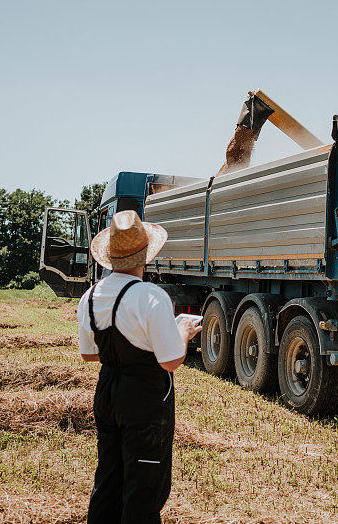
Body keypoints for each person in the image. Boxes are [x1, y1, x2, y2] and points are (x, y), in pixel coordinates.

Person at [77, 209, 201, 523]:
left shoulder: (89, 297)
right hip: (144, 400)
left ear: (109, 257)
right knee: (144, 487)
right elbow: (170, 360)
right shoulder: (151, 296)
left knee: (108, 477)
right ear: (145, 255)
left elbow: (89, 355)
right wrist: (182, 332)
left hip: (107, 394)